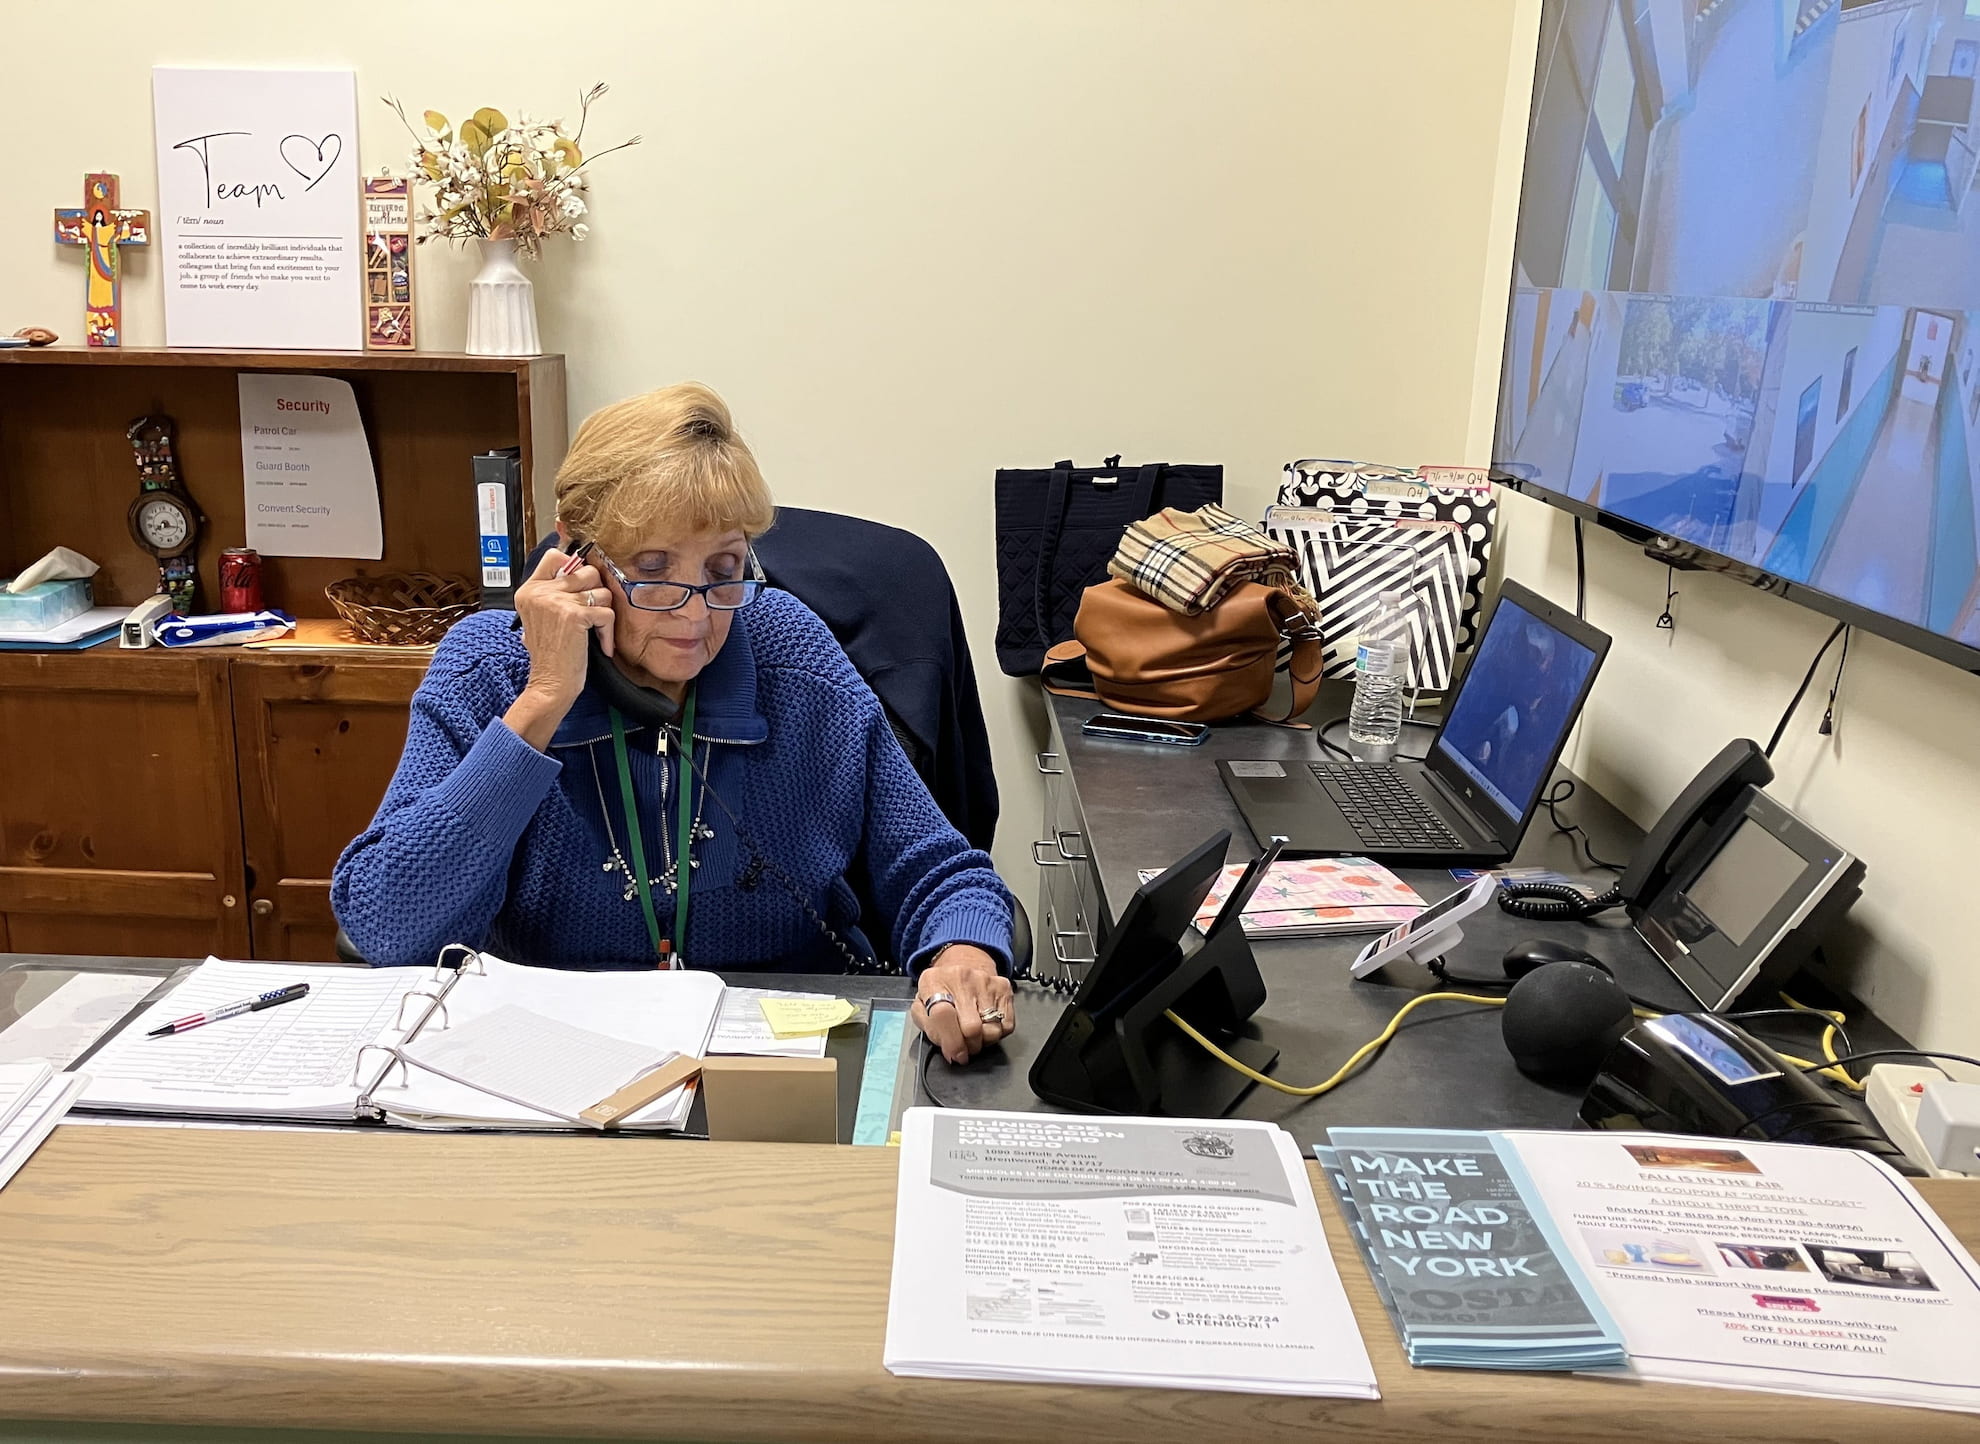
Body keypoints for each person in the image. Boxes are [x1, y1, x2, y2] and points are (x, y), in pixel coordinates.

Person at [331, 382, 1016, 1064]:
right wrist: (541, 701)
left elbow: (942, 870)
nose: (694, 616)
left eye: (722, 568)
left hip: (774, 1053)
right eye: (653, 569)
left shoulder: (792, 653)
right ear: (578, 558)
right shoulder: (487, 669)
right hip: (548, 1060)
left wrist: (963, 953)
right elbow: (388, 925)